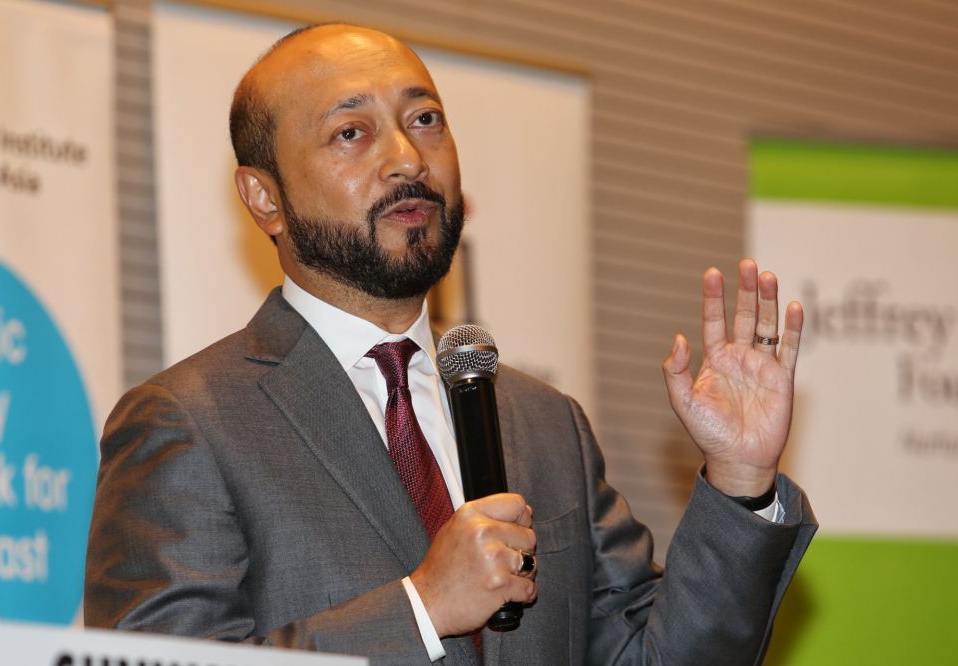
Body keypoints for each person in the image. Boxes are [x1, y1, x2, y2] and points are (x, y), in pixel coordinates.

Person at [84, 23, 816, 665]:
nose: (407, 158)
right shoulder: (189, 422)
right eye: (352, 132)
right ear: (264, 197)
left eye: (425, 119)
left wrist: (739, 481)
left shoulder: (544, 423)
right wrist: (420, 611)